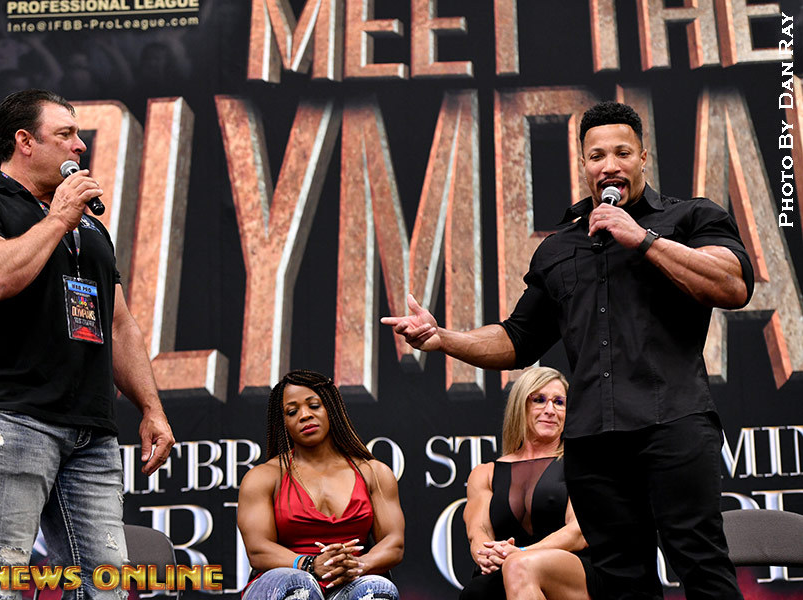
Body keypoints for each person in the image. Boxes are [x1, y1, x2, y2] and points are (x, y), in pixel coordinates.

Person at [382, 101, 752, 599]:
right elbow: (517, 339)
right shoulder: (558, 249)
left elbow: (733, 284)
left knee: (700, 563)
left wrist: (642, 239)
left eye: (622, 153)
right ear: (583, 165)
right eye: (597, 156)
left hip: (674, 423)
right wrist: (443, 338)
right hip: (594, 442)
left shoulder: (689, 216)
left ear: (643, 157)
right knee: (620, 580)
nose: (610, 165)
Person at [0, 89, 175, 599]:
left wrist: (151, 408)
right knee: (0, 580)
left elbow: (119, 325)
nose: (80, 146)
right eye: (65, 134)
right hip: (9, 417)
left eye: (78, 135)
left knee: (105, 584)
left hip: (90, 430)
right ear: (25, 141)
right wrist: (58, 218)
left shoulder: (91, 229)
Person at [237, 369, 404, 600]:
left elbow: (393, 543)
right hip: (285, 578)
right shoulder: (263, 477)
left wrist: (358, 565)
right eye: (292, 412)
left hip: (348, 581)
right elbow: (258, 550)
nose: (305, 415)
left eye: (314, 406)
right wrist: (310, 564)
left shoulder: (374, 473)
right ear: (283, 423)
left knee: (376, 589)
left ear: (331, 409)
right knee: (300, 586)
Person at [461, 366, 599, 600]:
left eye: (559, 402)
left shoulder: (580, 463)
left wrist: (520, 553)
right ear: (520, 405)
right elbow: (478, 532)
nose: (550, 410)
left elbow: (578, 532)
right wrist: (487, 554)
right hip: (506, 567)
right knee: (477, 591)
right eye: (539, 400)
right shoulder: (485, 474)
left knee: (518, 567)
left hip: (572, 572)